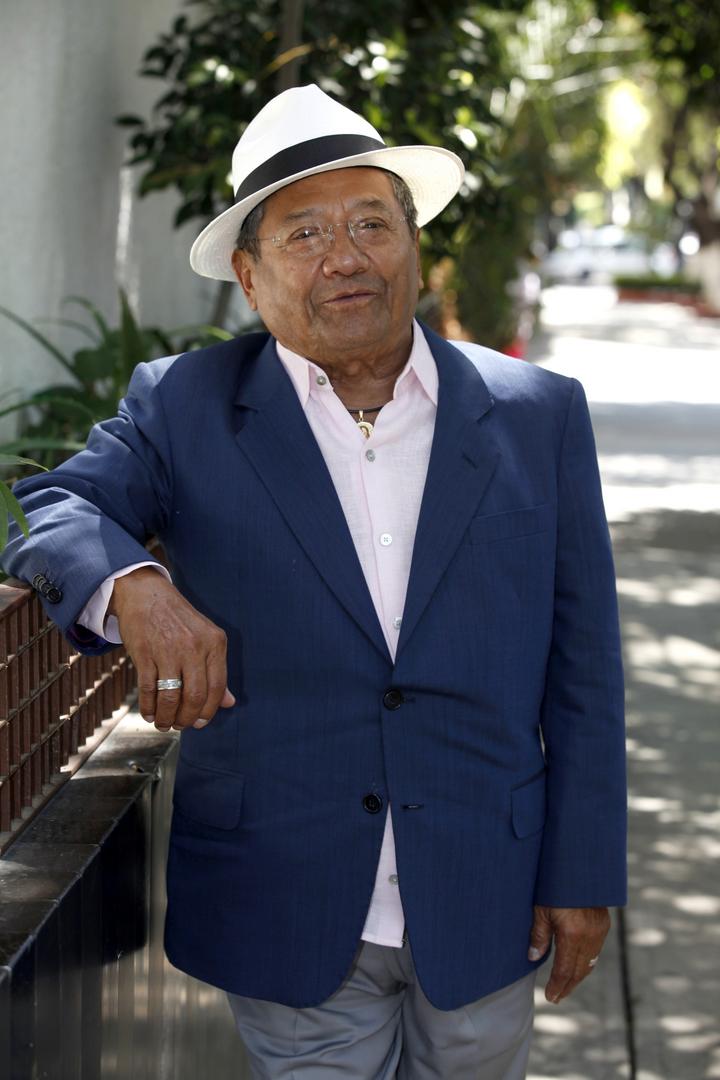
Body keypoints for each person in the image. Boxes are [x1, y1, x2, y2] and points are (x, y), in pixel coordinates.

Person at [3, 85, 626, 1079]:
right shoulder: (185, 406)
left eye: (371, 223)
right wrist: (135, 585)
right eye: (305, 234)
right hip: (282, 890)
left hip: (490, 887)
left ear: (413, 244)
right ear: (250, 277)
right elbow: (45, 505)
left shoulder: (536, 413)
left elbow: (585, 668)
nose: (345, 256)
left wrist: (585, 870)